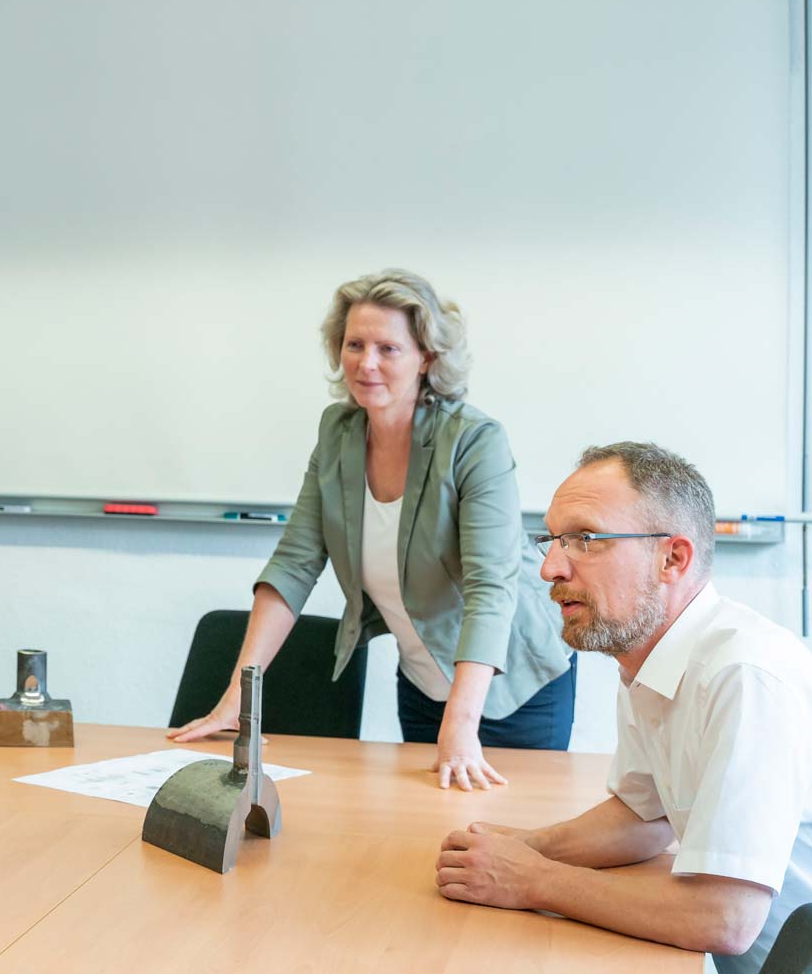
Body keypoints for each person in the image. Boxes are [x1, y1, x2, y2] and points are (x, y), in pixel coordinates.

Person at [170, 270, 573, 789]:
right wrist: (237, 701)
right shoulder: (338, 435)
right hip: (424, 682)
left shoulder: (474, 441)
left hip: (515, 683)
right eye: (354, 344)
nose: (367, 363)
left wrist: (459, 724)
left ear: (426, 357)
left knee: (506, 836)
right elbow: (294, 565)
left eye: (389, 348)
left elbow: (489, 589)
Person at [435, 442, 812, 972]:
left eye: (585, 540)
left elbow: (723, 917)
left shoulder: (744, 675)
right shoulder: (649, 656)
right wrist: (527, 847)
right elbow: (645, 816)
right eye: (552, 539)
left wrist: (531, 878)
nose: (548, 568)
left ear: (672, 559)